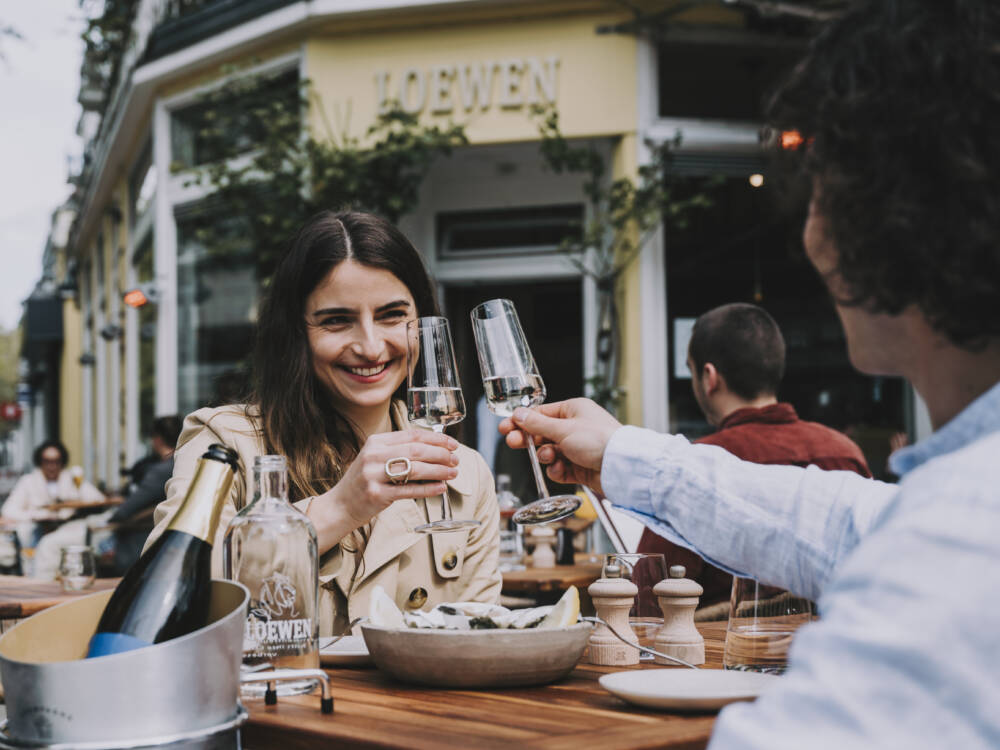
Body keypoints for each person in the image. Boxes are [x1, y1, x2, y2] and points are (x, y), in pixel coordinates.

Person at [500, 1, 1000, 746]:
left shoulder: (954, 551)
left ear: (893, 215)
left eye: (822, 186)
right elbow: (838, 522)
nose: (809, 232)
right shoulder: (952, 502)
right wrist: (623, 454)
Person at [148, 210, 500, 636]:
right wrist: (340, 508)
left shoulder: (465, 473)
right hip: (275, 701)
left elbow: (481, 638)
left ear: (422, 324)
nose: (371, 347)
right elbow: (169, 594)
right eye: (336, 320)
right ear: (296, 332)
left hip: (418, 704)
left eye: (392, 315)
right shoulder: (226, 442)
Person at [637, 303, 871, 608]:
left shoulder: (695, 468)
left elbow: (648, 603)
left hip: (726, 652)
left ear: (709, 377)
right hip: (838, 647)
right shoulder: (844, 453)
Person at [100, 415, 183, 575]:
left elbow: (122, 513)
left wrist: (112, 516)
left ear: (157, 440)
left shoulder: (162, 470)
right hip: (165, 538)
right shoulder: (183, 465)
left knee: (53, 543)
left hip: (136, 536)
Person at [1, 440, 104, 548]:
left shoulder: (71, 478)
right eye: (47, 461)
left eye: (56, 461)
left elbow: (97, 499)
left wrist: (77, 493)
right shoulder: (29, 481)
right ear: (40, 462)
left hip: (68, 530)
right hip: (39, 531)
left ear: (62, 462)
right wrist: (38, 515)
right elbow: (9, 510)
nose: (52, 466)